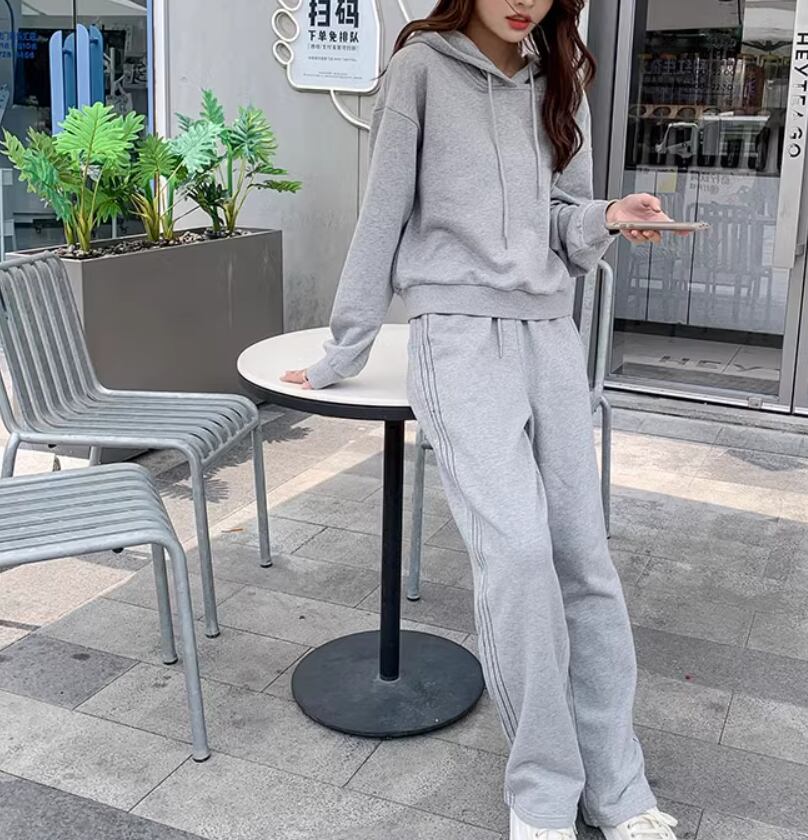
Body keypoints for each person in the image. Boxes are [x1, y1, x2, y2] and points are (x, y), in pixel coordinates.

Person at [282, 2, 687, 838]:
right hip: (458, 338)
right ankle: (542, 791)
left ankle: (617, 786)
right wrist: (344, 347)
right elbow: (383, 211)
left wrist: (605, 217)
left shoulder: (559, 77)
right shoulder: (421, 70)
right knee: (518, 553)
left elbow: (560, 218)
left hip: (549, 335)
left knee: (584, 562)